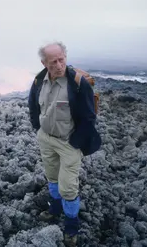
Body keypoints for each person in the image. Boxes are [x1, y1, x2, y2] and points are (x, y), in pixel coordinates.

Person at [28, 42, 101, 246]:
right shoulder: (39, 80)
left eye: (62, 59)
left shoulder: (77, 83)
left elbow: (89, 117)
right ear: (44, 63)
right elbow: (33, 105)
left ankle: (71, 227)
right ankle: (55, 209)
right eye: (54, 62)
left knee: (68, 187)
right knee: (52, 178)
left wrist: (75, 143)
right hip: (46, 139)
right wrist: (39, 129)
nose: (59, 65)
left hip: (69, 143)